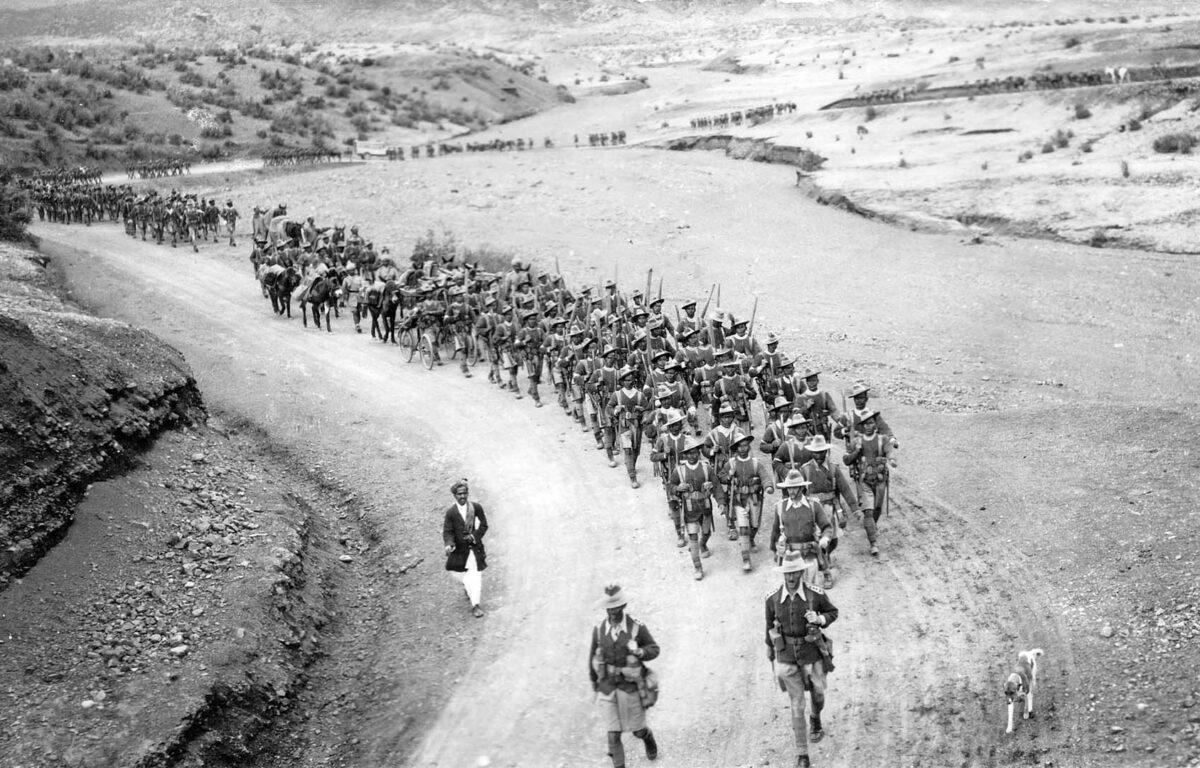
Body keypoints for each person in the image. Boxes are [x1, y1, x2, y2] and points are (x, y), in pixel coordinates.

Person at [765, 551, 838, 768]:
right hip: (787, 655)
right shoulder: (773, 599)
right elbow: (768, 626)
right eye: (786, 574)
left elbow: (833, 612)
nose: (790, 578)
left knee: (818, 694)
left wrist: (820, 618)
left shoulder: (815, 594)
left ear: (800, 572)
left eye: (794, 573)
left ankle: (815, 717)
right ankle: (802, 754)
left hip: (812, 652)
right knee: (796, 704)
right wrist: (770, 649)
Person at [589, 584, 660, 768]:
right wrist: (595, 684)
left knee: (637, 731)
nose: (612, 611)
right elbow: (592, 658)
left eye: (616, 606)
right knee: (613, 735)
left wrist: (641, 653)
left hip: (631, 687)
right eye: (609, 607)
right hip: (608, 687)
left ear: (623, 606)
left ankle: (647, 737)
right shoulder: (599, 630)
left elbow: (654, 649)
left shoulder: (636, 628)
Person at [718, 431, 776, 571]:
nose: (743, 449)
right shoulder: (731, 464)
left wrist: (768, 486)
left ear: (749, 447)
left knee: (755, 524)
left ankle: (751, 539)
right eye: (740, 446)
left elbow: (765, 476)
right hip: (739, 500)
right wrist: (728, 477)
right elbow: (721, 476)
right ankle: (746, 558)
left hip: (754, 499)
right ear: (736, 448)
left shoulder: (756, 464)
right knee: (743, 528)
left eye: (745, 446)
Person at [841, 410, 895, 556]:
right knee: (869, 511)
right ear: (863, 426)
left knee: (877, 508)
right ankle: (873, 543)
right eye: (866, 423)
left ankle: (871, 527)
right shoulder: (858, 441)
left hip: (880, 480)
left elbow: (889, 451)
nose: (868, 426)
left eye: (871, 422)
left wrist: (892, 459)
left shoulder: (882, 439)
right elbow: (846, 460)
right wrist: (857, 452)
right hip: (865, 481)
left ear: (875, 424)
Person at [442, 479, 489, 617]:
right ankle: (467, 586)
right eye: (459, 494)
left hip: (474, 549)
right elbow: (448, 531)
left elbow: (484, 526)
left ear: (468, 493)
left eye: (464, 493)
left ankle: (475, 605)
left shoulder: (476, 508)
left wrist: (474, 536)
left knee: (475, 577)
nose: (462, 497)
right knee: (462, 575)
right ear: (454, 495)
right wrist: (449, 544)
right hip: (460, 552)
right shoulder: (451, 513)